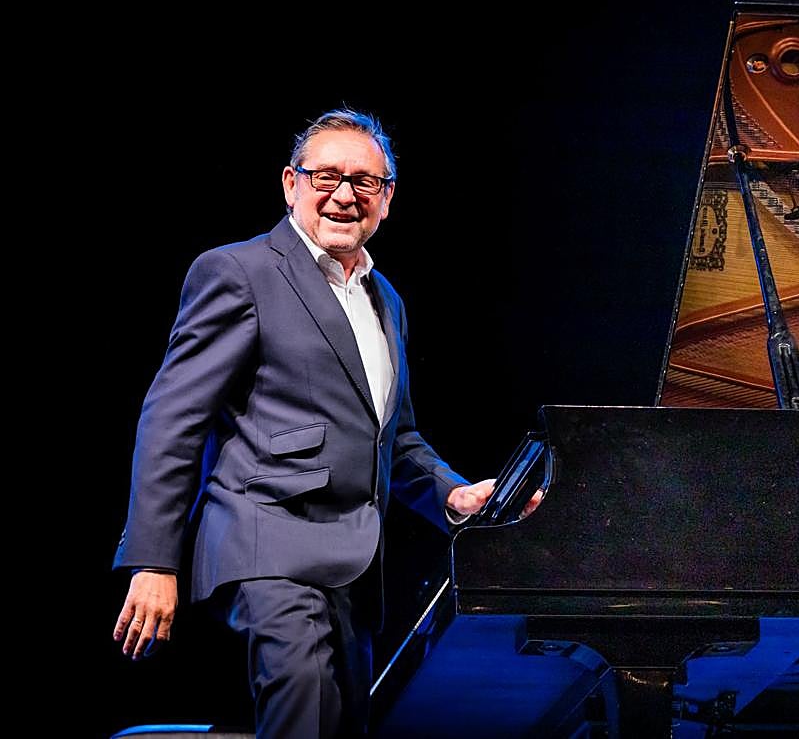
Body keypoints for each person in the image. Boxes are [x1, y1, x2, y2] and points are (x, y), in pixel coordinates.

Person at [111, 108, 539, 738]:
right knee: (303, 707)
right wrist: (154, 561)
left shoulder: (384, 298)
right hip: (267, 544)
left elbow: (394, 439)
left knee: (341, 724)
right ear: (291, 184)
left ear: (386, 199)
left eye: (364, 183)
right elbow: (172, 420)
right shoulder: (239, 272)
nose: (344, 195)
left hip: (356, 566)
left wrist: (452, 491)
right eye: (326, 177)